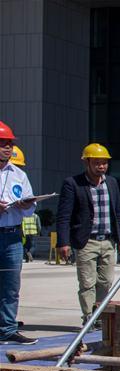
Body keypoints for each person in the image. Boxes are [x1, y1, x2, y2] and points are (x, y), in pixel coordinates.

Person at [56, 143, 120, 326]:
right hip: (86, 241)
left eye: (104, 163)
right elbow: (64, 216)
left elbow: (118, 212)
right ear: (87, 163)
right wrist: (63, 242)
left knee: (105, 282)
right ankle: (89, 317)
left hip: (108, 241)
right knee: (87, 283)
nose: (101, 166)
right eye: (97, 163)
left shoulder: (111, 182)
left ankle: (100, 315)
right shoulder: (73, 184)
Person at [0, 120, 39, 345]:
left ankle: (6, 329)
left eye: (10, 143)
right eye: (3, 143)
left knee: (11, 285)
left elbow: (30, 208)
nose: (8, 148)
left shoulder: (18, 175)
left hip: (13, 236)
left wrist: (27, 205)